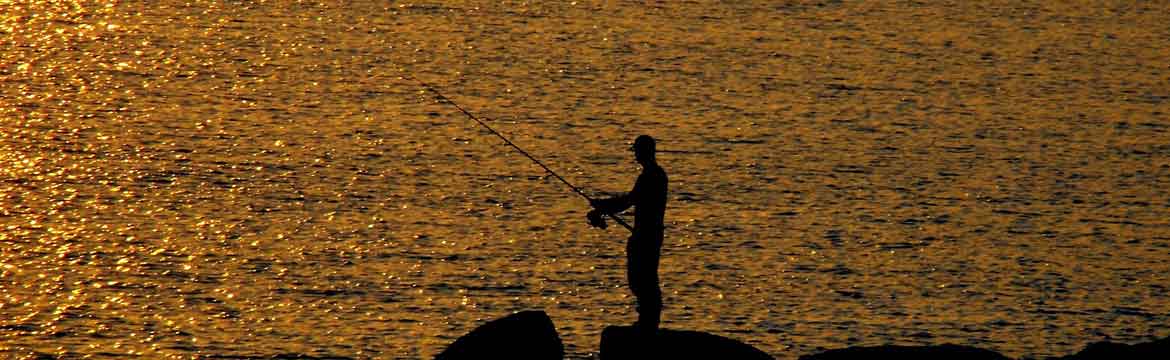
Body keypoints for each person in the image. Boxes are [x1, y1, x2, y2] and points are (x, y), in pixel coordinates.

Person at [587, 135, 668, 333]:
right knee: (644, 279)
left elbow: (629, 201)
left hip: (646, 235)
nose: (635, 155)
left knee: (642, 279)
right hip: (649, 233)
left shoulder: (651, 176)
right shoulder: (655, 175)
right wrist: (603, 207)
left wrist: (603, 206)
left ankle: (648, 324)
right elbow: (630, 200)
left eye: (637, 151)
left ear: (644, 152)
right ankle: (647, 321)